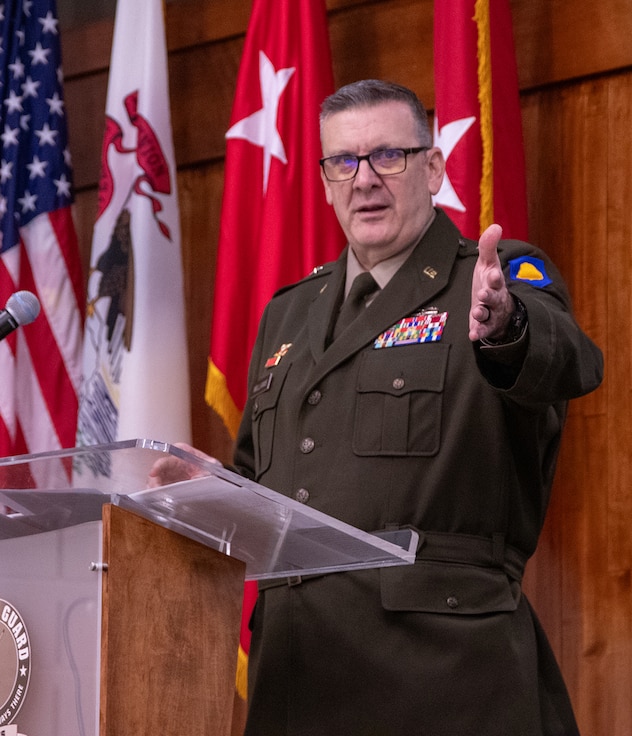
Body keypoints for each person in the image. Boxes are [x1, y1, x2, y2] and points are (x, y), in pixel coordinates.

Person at [151, 80, 603, 735]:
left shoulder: (489, 279)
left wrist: (507, 327)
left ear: (432, 167)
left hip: (442, 683)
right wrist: (207, 492)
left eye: (388, 156)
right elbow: (261, 482)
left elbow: (570, 360)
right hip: (296, 679)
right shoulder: (289, 312)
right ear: (327, 180)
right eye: (344, 161)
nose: (364, 179)